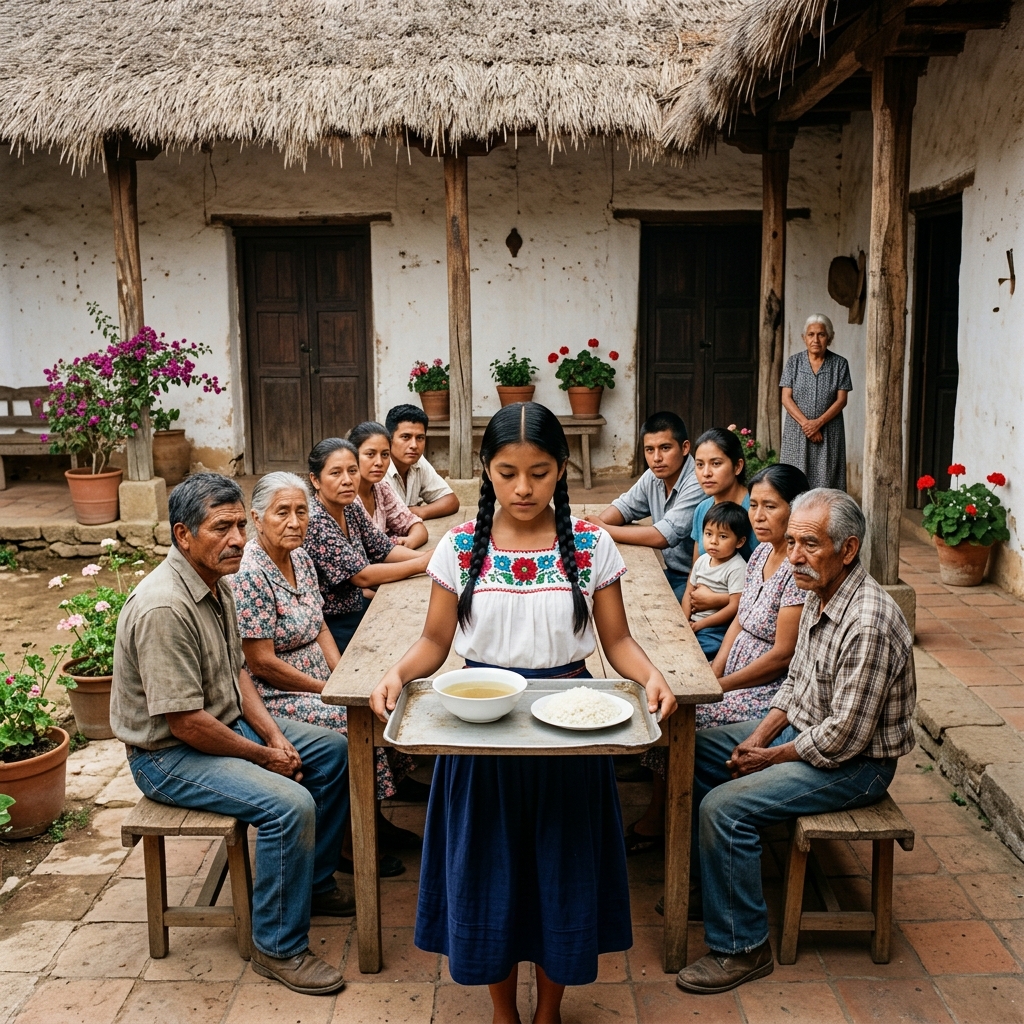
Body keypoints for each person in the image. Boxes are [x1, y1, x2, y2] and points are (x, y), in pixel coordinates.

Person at [370, 402, 677, 1024]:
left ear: (561, 470)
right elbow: (435, 642)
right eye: (507, 472)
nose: (523, 488)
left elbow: (616, 642)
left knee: (560, 877)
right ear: (487, 472)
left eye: (538, 472)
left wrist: (651, 674)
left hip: (573, 730)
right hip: (480, 734)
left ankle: (550, 1012)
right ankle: (504, 1011)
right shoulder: (461, 547)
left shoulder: (590, 546)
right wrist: (398, 673)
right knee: (491, 878)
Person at [111, 473, 352, 997]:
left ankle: (311, 881)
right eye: (223, 527)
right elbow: (185, 723)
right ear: (183, 535)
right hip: (170, 755)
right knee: (290, 805)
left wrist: (273, 735)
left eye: (241, 524)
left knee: (332, 751)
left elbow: (239, 672)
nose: (239, 539)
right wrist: (266, 758)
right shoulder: (164, 608)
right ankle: (278, 946)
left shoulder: (215, 582)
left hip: (223, 723)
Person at [676, 488, 915, 995]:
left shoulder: (867, 620)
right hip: (803, 730)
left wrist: (769, 756)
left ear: (847, 549)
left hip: (855, 764)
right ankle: (712, 887)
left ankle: (743, 947)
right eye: (791, 543)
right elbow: (795, 684)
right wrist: (758, 737)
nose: (795, 556)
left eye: (810, 543)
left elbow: (844, 737)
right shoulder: (815, 591)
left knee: (725, 807)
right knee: (693, 752)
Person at [231, 471, 418, 873]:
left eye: (301, 511)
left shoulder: (299, 556)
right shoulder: (250, 574)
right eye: (282, 512)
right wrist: (326, 690)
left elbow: (318, 625)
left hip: (317, 678)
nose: (295, 521)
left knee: (376, 697)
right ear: (257, 517)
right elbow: (261, 663)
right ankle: (348, 846)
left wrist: (342, 676)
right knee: (353, 720)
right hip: (274, 693)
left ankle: (372, 820)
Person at [626, 463, 810, 857]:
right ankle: (667, 814)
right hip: (735, 676)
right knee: (669, 704)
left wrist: (722, 686)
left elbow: (782, 655)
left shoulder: (796, 571)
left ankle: (672, 825)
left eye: (771, 507)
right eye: (755, 505)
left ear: (796, 510)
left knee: (684, 720)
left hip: (767, 690)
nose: (758, 516)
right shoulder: (760, 554)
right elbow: (741, 619)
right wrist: (715, 669)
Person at [305, 437, 432, 655]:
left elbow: (384, 549)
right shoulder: (315, 520)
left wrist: (432, 558)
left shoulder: (350, 507)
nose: (347, 480)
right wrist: (422, 563)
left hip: (357, 606)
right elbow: (362, 576)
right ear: (316, 480)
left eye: (352, 471)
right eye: (335, 473)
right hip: (333, 623)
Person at [592, 410, 704, 600]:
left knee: (642, 603)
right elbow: (624, 508)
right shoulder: (654, 476)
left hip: (698, 581)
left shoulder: (697, 481)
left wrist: (604, 529)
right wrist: (595, 527)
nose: (656, 458)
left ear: (685, 448)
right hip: (672, 572)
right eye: (649, 450)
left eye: (665, 448)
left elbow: (662, 536)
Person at [780, 314, 853, 490]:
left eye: (821, 334)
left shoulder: (839, 364)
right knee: (794, 479)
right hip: (797, 431)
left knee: (826, 479)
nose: (816, 339)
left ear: (829, 338)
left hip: (828, 431)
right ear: (804, 338)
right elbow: (786, 397)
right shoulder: (793, 362)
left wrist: (818, 423)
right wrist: (808, 425)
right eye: (811, 334)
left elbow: (841, 400)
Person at [682, 501, 750, 659]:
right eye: (708, 534)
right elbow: (688, 592)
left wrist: (700, 625)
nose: (713, 541)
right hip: (693, 622)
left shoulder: (737, 567)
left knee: (701, 651)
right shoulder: (702, 560)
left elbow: (734, 607)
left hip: (716, 628)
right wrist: (684, 621)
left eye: (723, 536)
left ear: (740, 542)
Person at [349, 420, 428, 548]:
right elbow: (368, 553)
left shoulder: (381, 488)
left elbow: (415, 525)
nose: (379, 462)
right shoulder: (346, 496)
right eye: (370, 454)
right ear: (352, 456)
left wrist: (408, 542)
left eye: (385, 454)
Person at [384, 404, 460, 520]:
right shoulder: (378, 468)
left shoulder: (418, 461)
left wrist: (421, 511)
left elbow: (451, 501)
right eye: (405, 437)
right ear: (389, 440)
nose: (414, 445)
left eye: (420, 438)